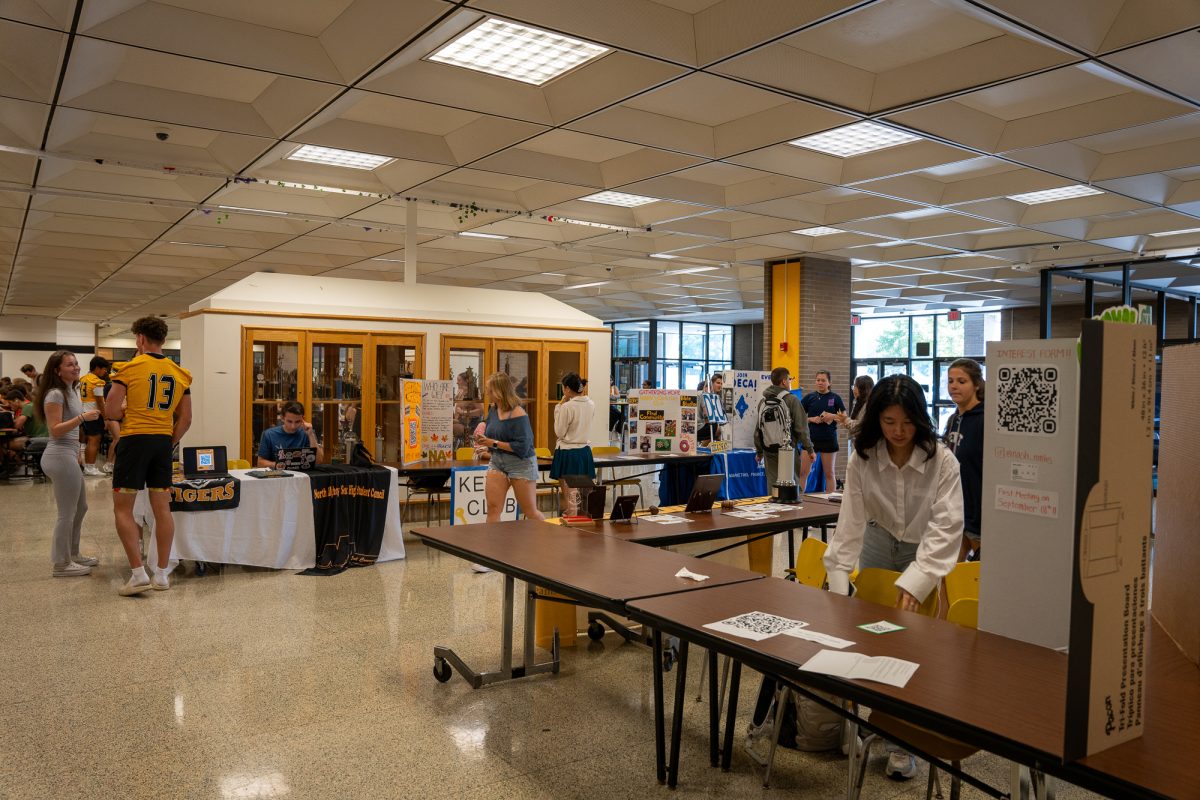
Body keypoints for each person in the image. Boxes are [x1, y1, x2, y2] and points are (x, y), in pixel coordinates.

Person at [823, 375, 964, 781]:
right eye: (888, 422)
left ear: (919, 418)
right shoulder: (863, 457)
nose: (898, 432)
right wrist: (837, 583)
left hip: (924, 552)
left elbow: (947, 526)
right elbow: (849, 523)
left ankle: (906, 743)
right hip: (877, 541)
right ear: (876, 420)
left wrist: (919, 580)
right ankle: (879, 723)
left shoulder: (942, 460)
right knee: (871, 638)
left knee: (914, 647)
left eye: (906, 422)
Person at [104, 317, 193, 596]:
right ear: (164, 340)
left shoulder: (127, 369)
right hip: (161, 442)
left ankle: (138, 574)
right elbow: (186, 419)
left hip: (133, 441)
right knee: (162, 508)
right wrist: (169, 441)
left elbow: (112, 411)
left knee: (123, 509)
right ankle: (162, 574)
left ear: (140, 339)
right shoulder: (180, 373)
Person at [34, 351, 101, 577]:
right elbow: (55, 430)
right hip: (58, 455)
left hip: (68, 454)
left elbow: (71, 431)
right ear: (57, 370)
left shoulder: (71, 391)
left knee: (81, 507)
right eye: (70, 364)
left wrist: (79, 451)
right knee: (67, 513)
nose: (76, 367)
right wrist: (83, 418)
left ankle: (73, 553)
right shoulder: (55, 394)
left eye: (76, 364)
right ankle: (61, 563)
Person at [475, 372, 545, 556]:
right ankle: (489, 555)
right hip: (497, 462)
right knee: (493, 508)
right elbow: (492, 432)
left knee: (530, 511)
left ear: (499, 391)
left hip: (520, 464)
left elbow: (523, 446)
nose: (487, 392)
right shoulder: (492, 410)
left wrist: (493, 443)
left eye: (490, 389)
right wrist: (483, 439)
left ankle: (546, 546)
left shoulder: (518, 413)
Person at [943, 358, 985, 561]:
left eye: (961, 381)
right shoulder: (953, 420)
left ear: (976, 384)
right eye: (950, 381)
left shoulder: (985, 419)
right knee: (946, 579)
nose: (954, 386)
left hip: (979, 516)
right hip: (955, 513)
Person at [753, 367, 813, 491]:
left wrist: (759, 452)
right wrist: (810, 449)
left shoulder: (763, 402)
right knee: (791, 483)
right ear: (784, 382)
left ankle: (773, 509)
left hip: (768, 449)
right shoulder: (792, 400)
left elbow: (758, 430)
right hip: (788, 449)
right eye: (789, 379)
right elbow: (801, 428)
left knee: (773, 485)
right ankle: (791, 510)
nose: (790, 382)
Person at [550, 371, 595, 515]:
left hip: (568, 450)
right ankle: (574, 515)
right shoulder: (591, 403)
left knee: (570, 493)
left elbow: (559, 432)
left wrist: (558, 408)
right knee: (577, 490)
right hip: (584, 450)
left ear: (568, 389)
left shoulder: (567, 407)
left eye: (564, 387)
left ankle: (572, 516)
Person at [800, 370, 846, 492]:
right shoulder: (809, 398)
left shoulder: (835, 398)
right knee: (803, 472)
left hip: (828, 439)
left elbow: (844, 418)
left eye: (823, 380)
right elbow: (798, 417)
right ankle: (799, 498)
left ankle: (831, 503)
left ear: (829, 382)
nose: (820, 382)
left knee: (829, 473)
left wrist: (832, 416)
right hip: (811, 440)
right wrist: (811, 419)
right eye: (818, 380)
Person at [257, 401, 322, 467]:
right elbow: (260, 463)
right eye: (289, 421)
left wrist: (311, 435)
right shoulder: (269, 434)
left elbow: (319, 461)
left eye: (297, 422)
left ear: (303, 419)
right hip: (278, 474)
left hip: (304, 474)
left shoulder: (308, 432)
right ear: (282, 418)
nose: (293, 426)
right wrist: (278, 464)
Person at [79, 355, 111, 476]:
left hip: (84, 412)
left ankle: (88, 466)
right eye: (104, 369)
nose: (105, 372)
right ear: (97, 368)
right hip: (94, 414)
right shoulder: (97, 382)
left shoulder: (83, 378)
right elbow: (100, 402)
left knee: (90, 440)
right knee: (94, 440)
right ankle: (90, 467)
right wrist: (106, 418)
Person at [837, 375, 875, 441]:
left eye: (855, 386)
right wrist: (844, 421)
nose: (853, 389)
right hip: (857, 441)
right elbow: (854, 422)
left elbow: (860, 426)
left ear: (862, 389)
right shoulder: (858, 401)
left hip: (866, 442)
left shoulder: (869, 404)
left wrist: (845, 420)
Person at [697, 372, 727, 443]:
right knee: (719, 429)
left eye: (722, 383)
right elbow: (707, 415)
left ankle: (708, 447)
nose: (720, 385)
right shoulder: (706, 396)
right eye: (718, 383)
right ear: (712, 383)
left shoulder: (717, 397)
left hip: (707, 424)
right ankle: (705, 447)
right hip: (700, 426)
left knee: (719, 429)